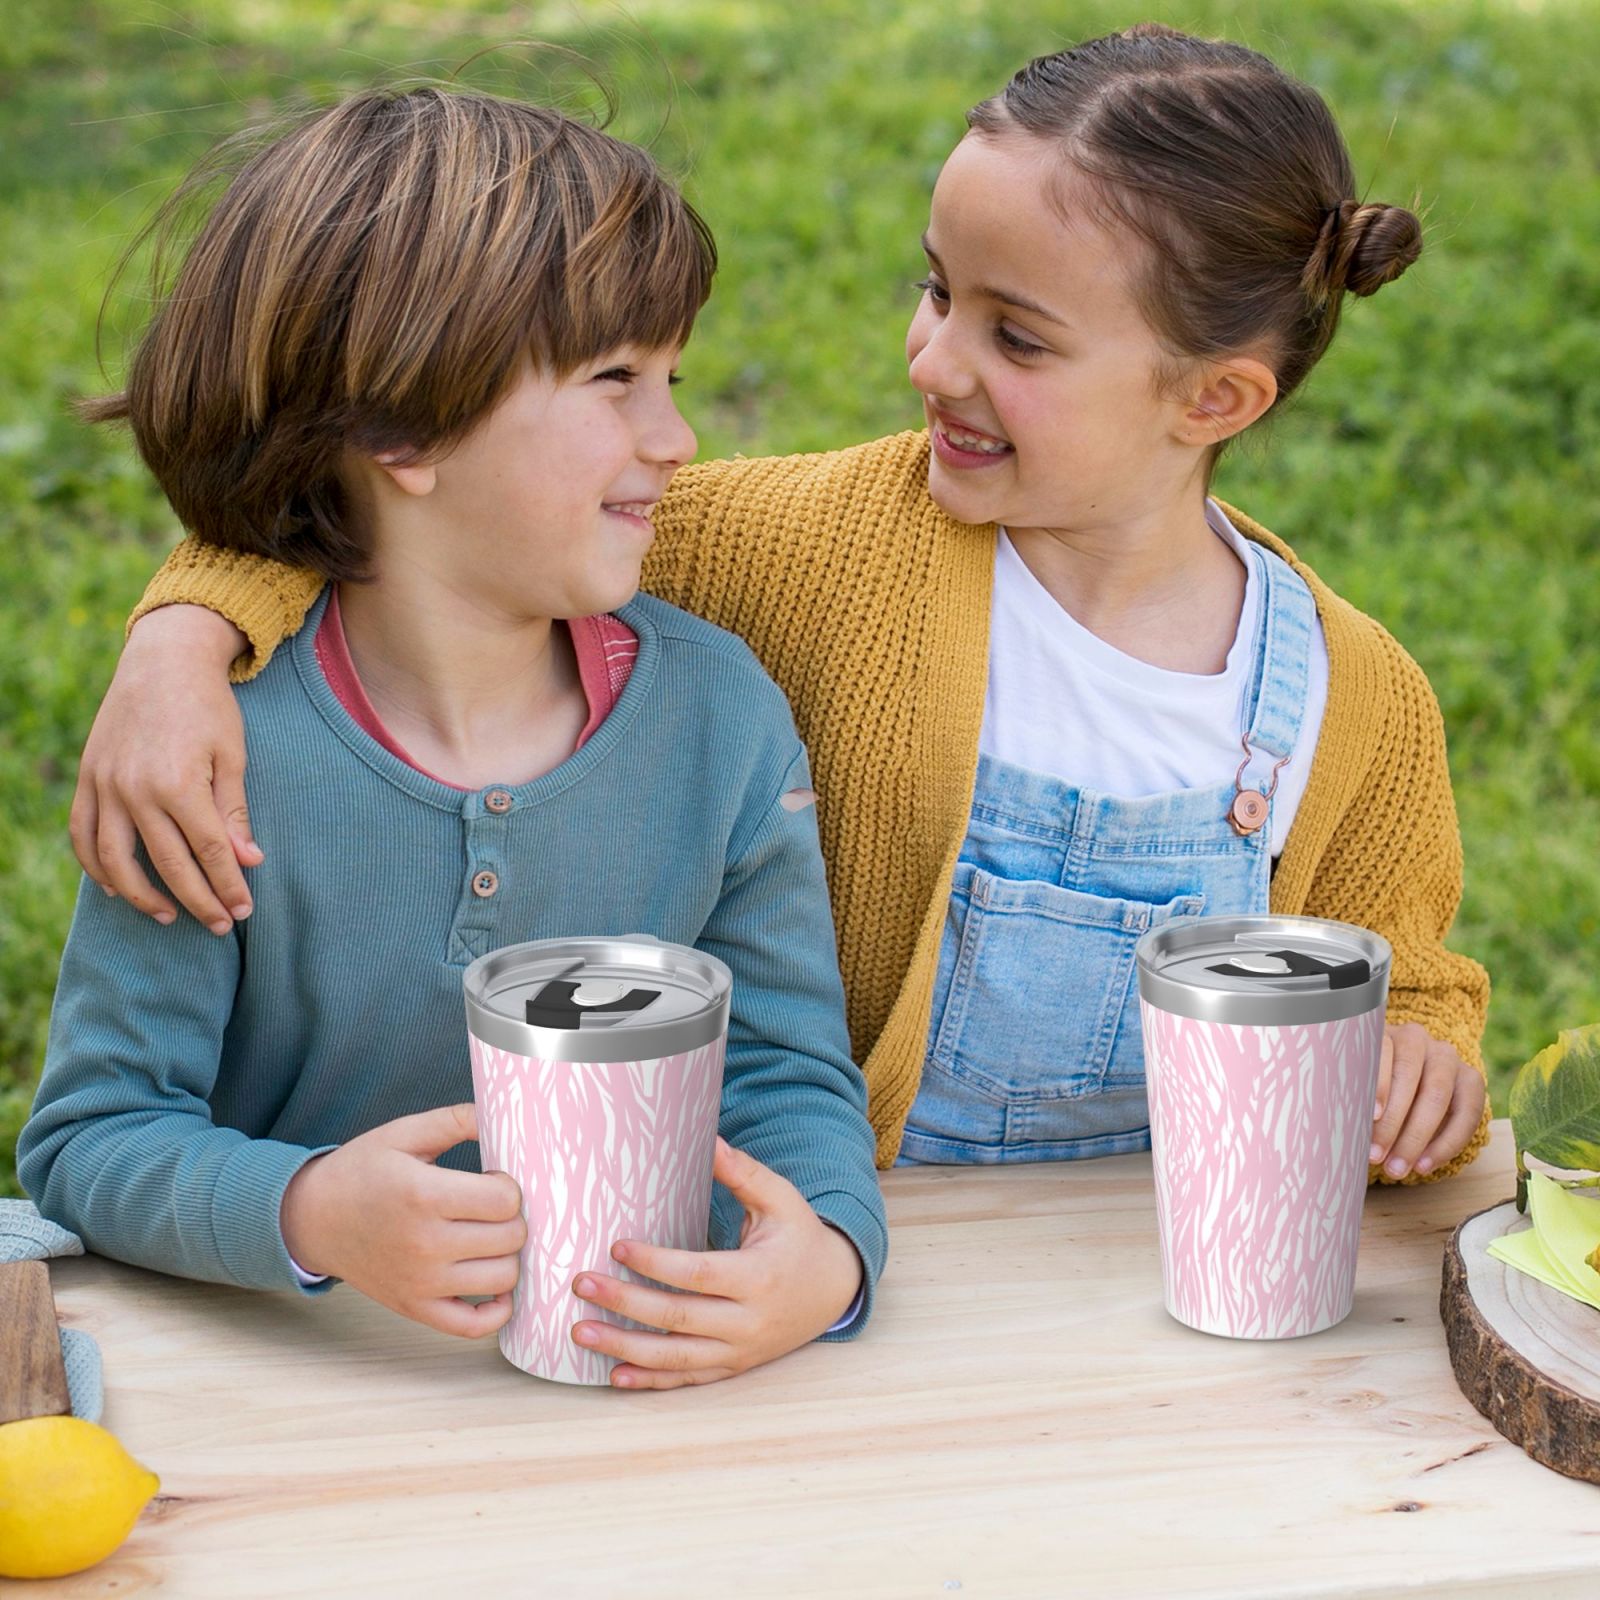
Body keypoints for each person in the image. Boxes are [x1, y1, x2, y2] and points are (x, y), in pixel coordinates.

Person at [67, 25, 1490, 1186]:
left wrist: (1421, 1055)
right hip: (851, 1247)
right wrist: (185, 635)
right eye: (937, 291)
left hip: (1155, 1280)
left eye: (1018, 335)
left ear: (1216, 398)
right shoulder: (808, 546)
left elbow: (1403, 977)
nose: (934, 358)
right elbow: (425, 504)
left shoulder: (1352, 699)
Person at [20, 86, 887, 1390]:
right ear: (398, 430)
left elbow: (779, 1070)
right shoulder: (208, 758)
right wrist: (311, 1211)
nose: (677, 438)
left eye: (673, 379)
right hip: (303, 1400)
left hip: (636, 1397)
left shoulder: (723, 721)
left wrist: (825, 1255)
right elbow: (93, 1138)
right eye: (614, 383)